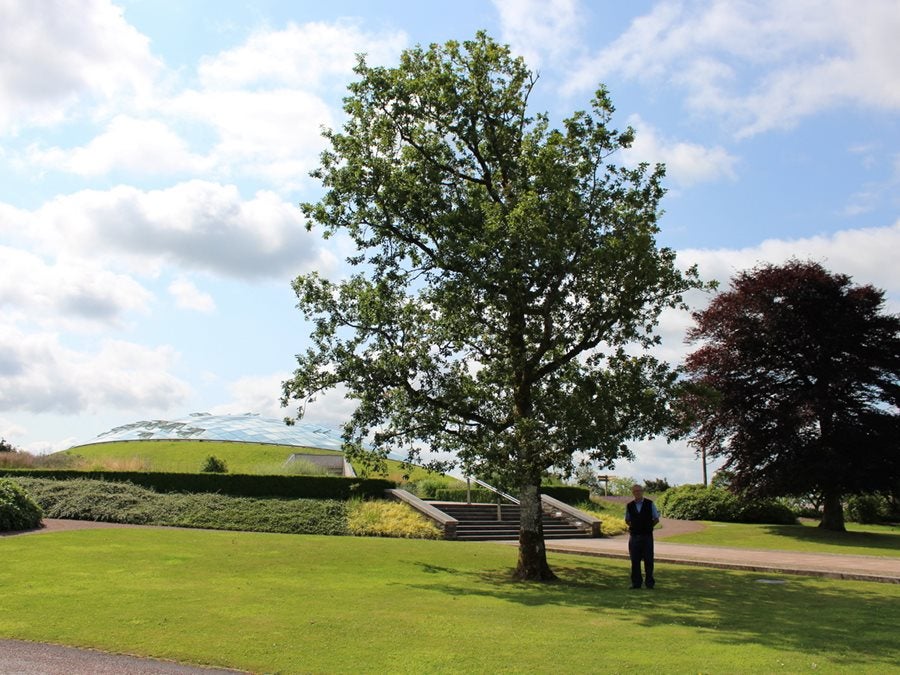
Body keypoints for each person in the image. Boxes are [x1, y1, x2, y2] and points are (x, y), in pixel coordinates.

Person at [625, 484, 659, 589]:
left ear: (642, 491)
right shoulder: (630, 505)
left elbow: (656, 518)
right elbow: (627, 520)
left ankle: (649, 583)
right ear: (633, 493)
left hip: (647, 536)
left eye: (639, 491)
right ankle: (636, 583)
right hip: (634, 536)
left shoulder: (649, 504)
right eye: (635, 491)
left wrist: (648, 527)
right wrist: (635, 527)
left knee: (649, 560)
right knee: (635, 560)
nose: (637, 493)